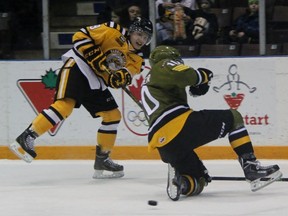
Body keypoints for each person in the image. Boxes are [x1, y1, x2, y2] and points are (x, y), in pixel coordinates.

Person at [8, 16, 153, 179]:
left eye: (145, 37)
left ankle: (102, 159)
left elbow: (123, 76)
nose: (141, 39)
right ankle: (27, 137)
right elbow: (80, 36)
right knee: (65, 106)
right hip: (79, 66)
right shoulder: (112, 30)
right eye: (139, 34)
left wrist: (117, 78)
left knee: (113, 116)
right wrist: (96, 58)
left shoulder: (137, 60)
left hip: (96, 80)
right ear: (132, 31)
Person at [141, 45, 282, 201]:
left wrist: (196, 85)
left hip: (164, 145)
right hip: (178, 126)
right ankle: (251, 167)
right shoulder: (164, 64)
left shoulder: (151, 80)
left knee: (199, 180)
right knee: (234, 117)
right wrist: (202, 76)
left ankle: (181, 183)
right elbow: (187, 75)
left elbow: (180, 82)